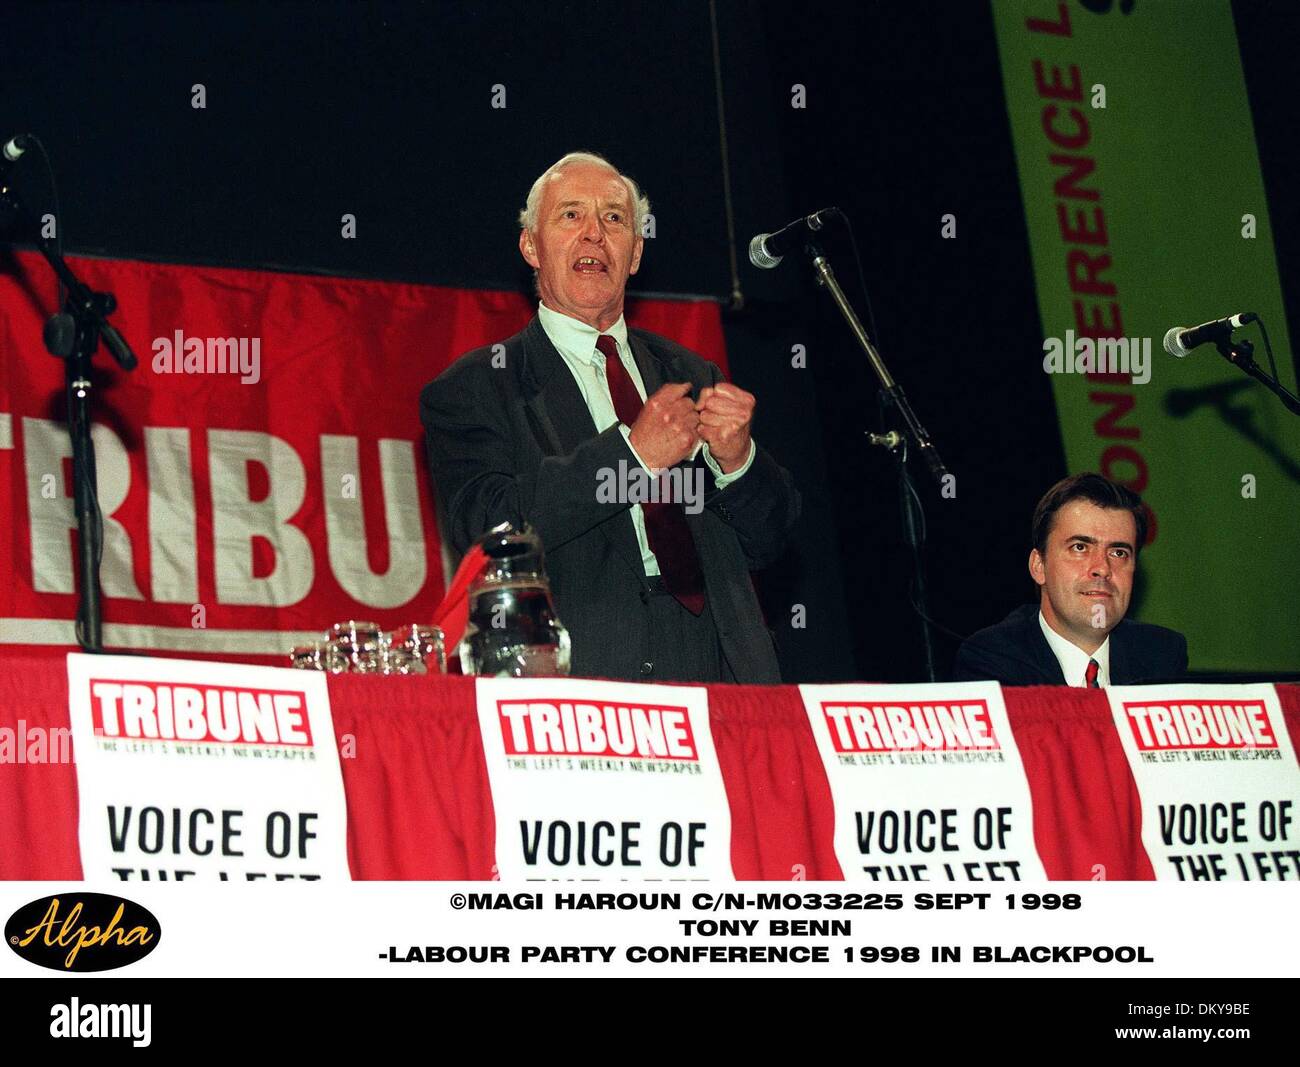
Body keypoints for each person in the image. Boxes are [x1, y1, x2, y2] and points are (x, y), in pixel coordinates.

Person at [420, 151, 800, 683]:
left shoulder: (690, 372)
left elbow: (774, 537)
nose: (594, 234)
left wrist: (739, 462)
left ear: (636, 253)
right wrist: (632, 457)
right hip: (583, 669)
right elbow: (489, 531)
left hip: (719, 664)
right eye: (571, 215)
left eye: (615, 219)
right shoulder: (477, 386)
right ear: (531, 246)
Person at [953, 473, 1187, 686]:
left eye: (1118, 553)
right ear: (1039, 566)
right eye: (1080, 547)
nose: (1102, 569)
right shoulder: (995, 660)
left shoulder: (1161, 656)